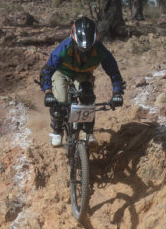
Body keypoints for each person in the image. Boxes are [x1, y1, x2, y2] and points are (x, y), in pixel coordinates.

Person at [39, 17, 125, 148]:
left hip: (83, 74)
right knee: (60, 101)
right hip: (61, 72)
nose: (85, 51)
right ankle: (57, 130)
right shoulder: (64, 47)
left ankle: (87, 132)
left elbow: (114, 72)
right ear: (73, 40)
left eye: (89, 48)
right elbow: (47, 71)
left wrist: (117, 93)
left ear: (95, 40)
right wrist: (48, 93)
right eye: (81, 47)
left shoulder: (101, 50)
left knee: (87, 96)